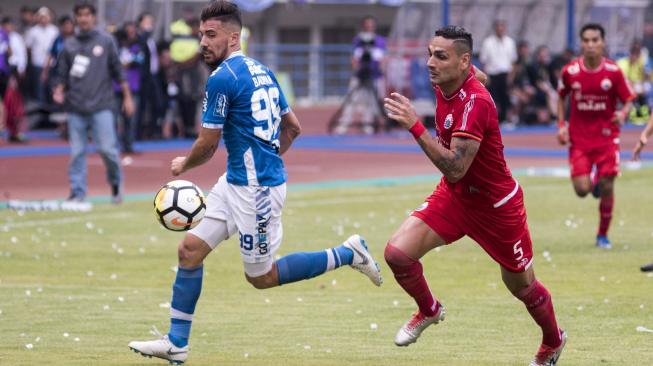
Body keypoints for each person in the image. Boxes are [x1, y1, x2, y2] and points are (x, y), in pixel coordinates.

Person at [127, 2, 382, 364]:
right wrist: (268, 158)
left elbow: (207, 144)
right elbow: (293, 127)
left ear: (233, 38)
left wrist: (185, 164)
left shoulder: (222, 78)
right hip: (237, 182)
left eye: (211, 35)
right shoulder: (262, 70)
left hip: (256, 190)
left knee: (262, 277)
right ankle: (176, 342)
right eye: (201, 34)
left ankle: (348, 253)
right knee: (189, 252)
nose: (203, 42)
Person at [383, 25, 565, 366]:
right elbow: (481, 75)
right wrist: (470, 71)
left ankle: (553, 342)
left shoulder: (476, 105)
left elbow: (455, 167)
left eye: (440, 56)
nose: (430, 63)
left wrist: (414, 124)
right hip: (456, 198)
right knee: (397, 254)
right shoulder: (450, 79)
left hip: (496, 206)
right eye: (429, 53)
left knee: (522, 287)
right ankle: (429, 310)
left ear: (462, 61)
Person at [557, 23, 635, 249]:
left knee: (608, 185)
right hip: (579, 139)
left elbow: (629, 98)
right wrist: (561, 125)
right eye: (586, 41)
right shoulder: (570, 72)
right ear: (581, 44)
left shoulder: (613, 72)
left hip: (607, 137)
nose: (590, 45)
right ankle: (594, 181)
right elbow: (561, 97)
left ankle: (602, 235)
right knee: (582, 190)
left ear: (603, 43)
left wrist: (622, 113)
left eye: (595, 40)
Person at [52, 2, 134, 203]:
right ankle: (78, 193)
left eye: (87, 15)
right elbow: (61, 76)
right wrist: (58, 91)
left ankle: (115, 186)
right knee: (77, 153)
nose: (83, 18)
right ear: (75, 18)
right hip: (75, 107)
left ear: (93, 17)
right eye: (80, 15)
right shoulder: (68, 45)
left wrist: (127, 97)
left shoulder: (106, 41)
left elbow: (118, 71)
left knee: (108, 150)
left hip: (102, 106)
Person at [330, 15, 387, 135]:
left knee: (370, 101)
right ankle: (343, 125)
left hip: (374, 75)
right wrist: (356, 68)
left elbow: (383, 59)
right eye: (367, 25)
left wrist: (380, 69)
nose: (370, 27)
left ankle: (368, 125)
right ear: (363, 26)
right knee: (351, 100)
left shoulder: (380, 41)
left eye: (371, 25)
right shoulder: (358, 40)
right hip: (359, 75)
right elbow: (354, 58)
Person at [480, 20, 517, 124]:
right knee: (493, 99)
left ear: (505, 29)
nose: (500, 29)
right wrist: (486, 76)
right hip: (492, 74)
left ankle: (504, 119)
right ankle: (493, 120)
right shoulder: (488, 42)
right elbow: (484, 61)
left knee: (505, 98)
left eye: (502, 27)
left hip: (505, 74)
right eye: (498, 27)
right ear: (495, 29)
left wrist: (511, 77)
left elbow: (513, 61)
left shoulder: (510, 42)